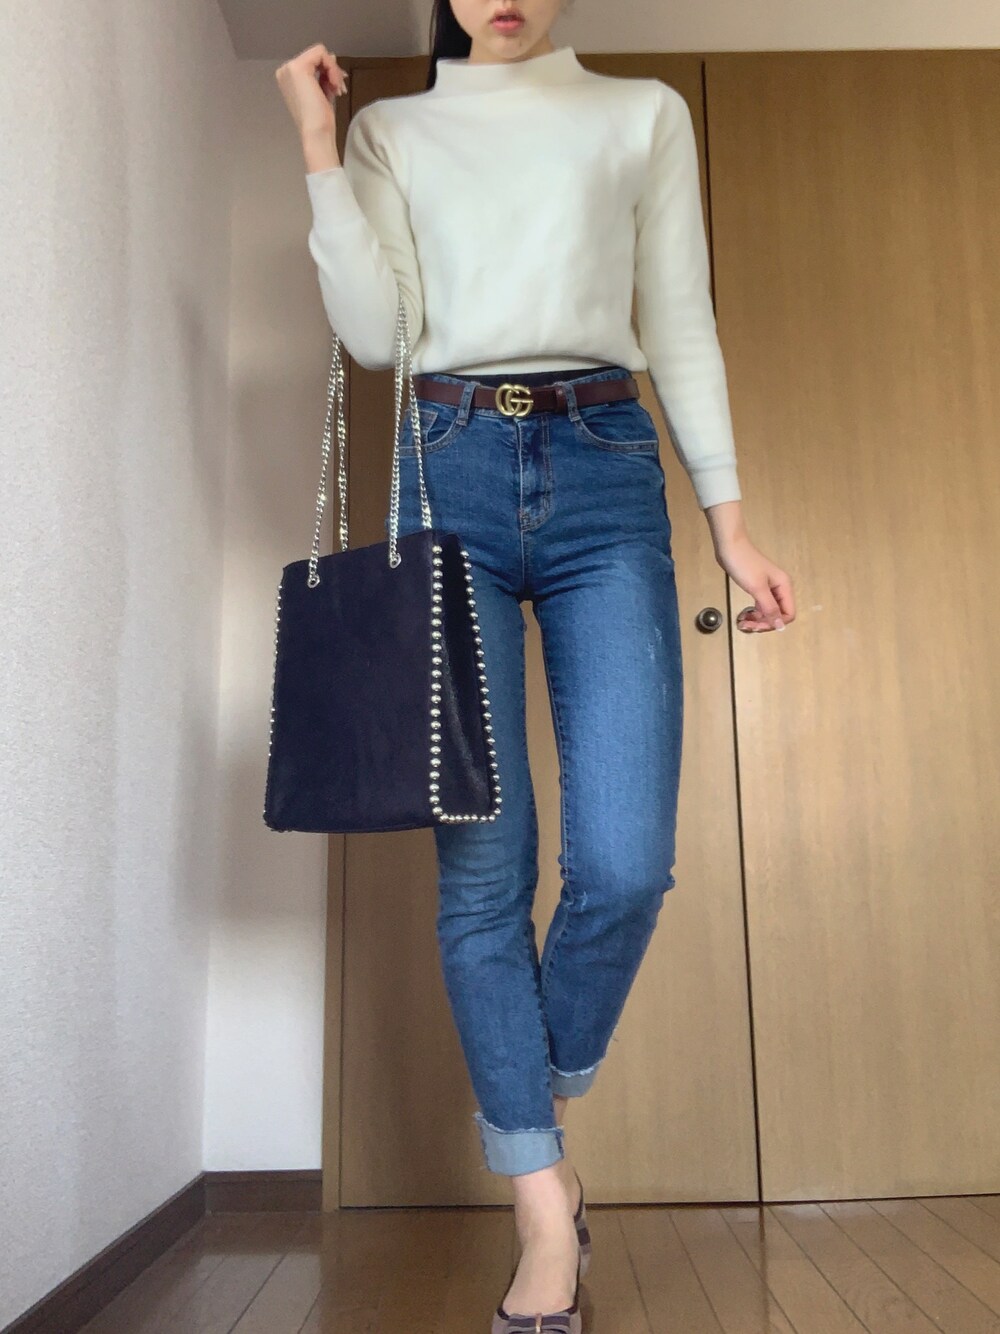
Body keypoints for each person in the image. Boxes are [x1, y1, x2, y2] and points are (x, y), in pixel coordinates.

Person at [277, 3, 795, 1328]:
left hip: (605, 465)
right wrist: (321, 146)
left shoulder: (641, 116)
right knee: (485, 874)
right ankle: (544, 1213)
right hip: (443, 463)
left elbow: (680, 318)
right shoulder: (394, 133)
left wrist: (729, 520)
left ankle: (530, 1115)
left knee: (625, 864)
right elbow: (377, 335)